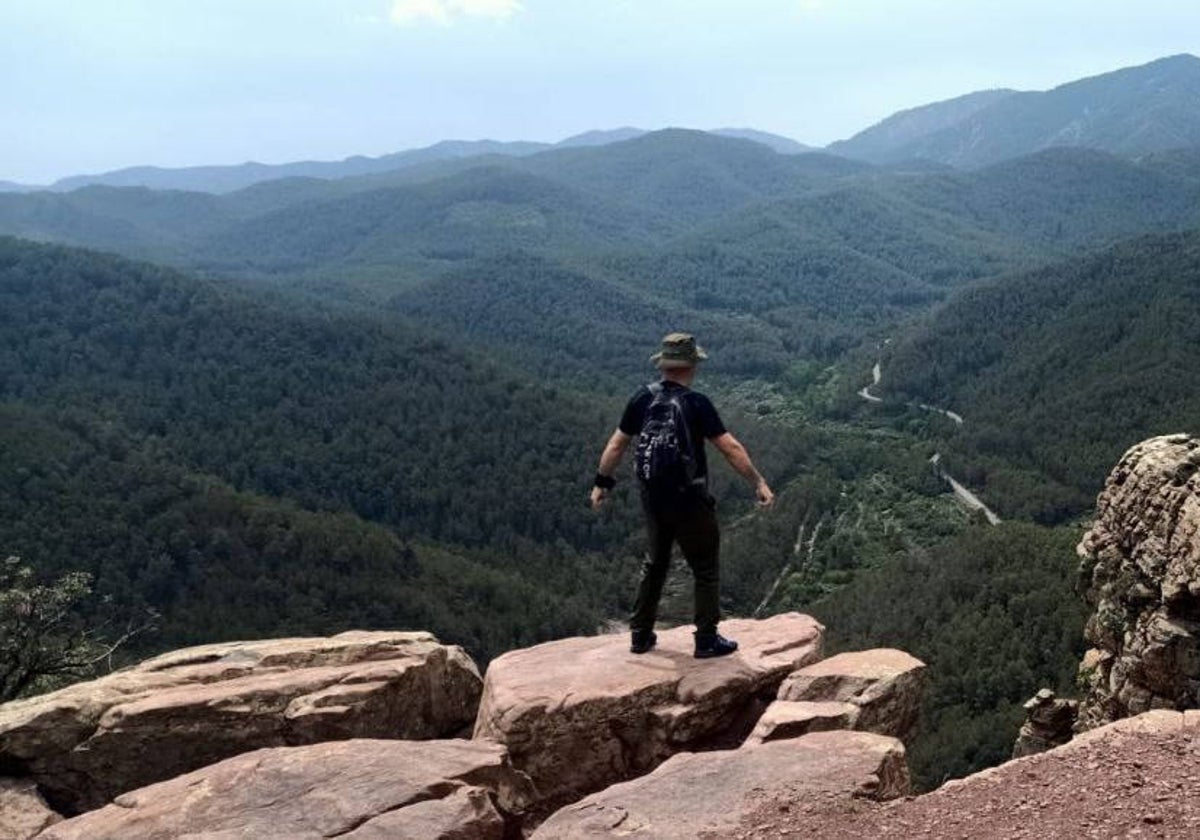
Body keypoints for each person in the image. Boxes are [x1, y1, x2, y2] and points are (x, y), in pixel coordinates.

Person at [590, 332, 775, 658]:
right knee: (704, 568)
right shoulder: (696, 403)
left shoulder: (641, 398)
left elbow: (616, 444)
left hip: (653, 496)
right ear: (691, 366)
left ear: (663, 366)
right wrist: (758, 482)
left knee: (655, 563)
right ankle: (706, 640)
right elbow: (730, 448)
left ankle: (640, 635)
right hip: (690, 500)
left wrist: (602, 483)